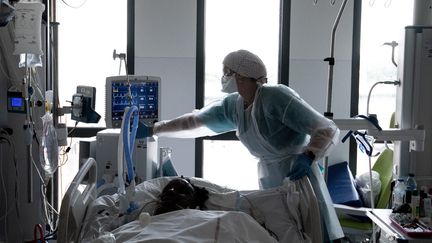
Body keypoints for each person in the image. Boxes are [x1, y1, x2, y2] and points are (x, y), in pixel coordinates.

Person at [146, 49, 343, 241]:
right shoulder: (235, 106)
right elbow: (195, 122)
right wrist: (156, 129)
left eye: (226, 72)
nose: (223, 77)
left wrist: (308, 156)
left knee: (308, 231)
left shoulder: (276, 97)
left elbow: (326, 128)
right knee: (280, 231)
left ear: (241, 76)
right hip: (270, 179)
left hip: (298, 176)